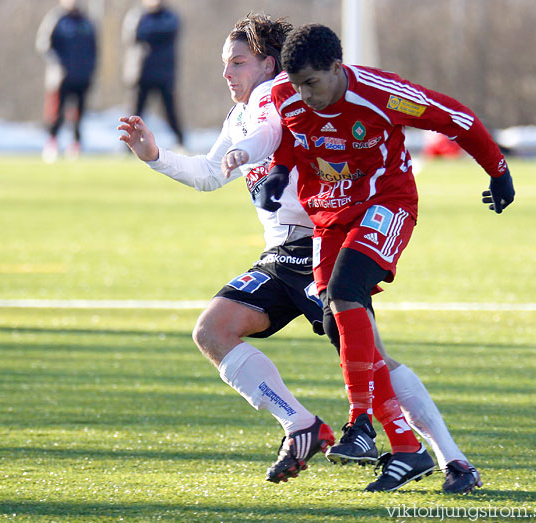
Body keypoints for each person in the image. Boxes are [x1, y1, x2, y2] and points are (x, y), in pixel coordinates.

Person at [120, 14, 482, 494]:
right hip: (282, 254)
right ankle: (302, 425)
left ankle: (452, 460)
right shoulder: (241, 112)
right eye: (225, 64)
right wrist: (155, 157)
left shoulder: (276, 96)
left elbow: (269, 132)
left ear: (270, 64)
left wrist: (246, 153)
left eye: (238, 62)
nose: (227, 73)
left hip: (315, 243)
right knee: (215, 330)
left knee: (371, 357)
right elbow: (209, 173)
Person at [254, 23, 513, 492]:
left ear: (337, 68)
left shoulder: (383, 95)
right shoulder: (287, 97)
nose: (303, 95)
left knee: (345, 291)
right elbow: (294, 137)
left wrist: (498, 171)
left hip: (387, 203)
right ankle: (407, 448)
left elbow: (457, 119)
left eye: (311, 82)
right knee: (341, 324)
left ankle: (359, 423)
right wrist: (279, 171)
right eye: (295, 85)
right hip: (331, 215)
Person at [36, 0, 98, 162]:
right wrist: (59, 65)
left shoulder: (86, 22)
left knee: (79, 113)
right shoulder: (57, 19)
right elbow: (44, 45)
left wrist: (90, 69)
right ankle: (52, 143)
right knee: (57, 112)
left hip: (82, 77)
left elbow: (94, 49)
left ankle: (76, 144)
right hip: (61, 77)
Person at [122, 0, 184, 148]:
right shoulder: (137, 16)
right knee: (135, 112)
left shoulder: (169, 17)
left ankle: (180, 141)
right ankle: (127, 145)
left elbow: (168, 33)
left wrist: (151, 34)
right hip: (141, 73)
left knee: (170, 112)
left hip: (164, 74)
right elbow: (133, 36)